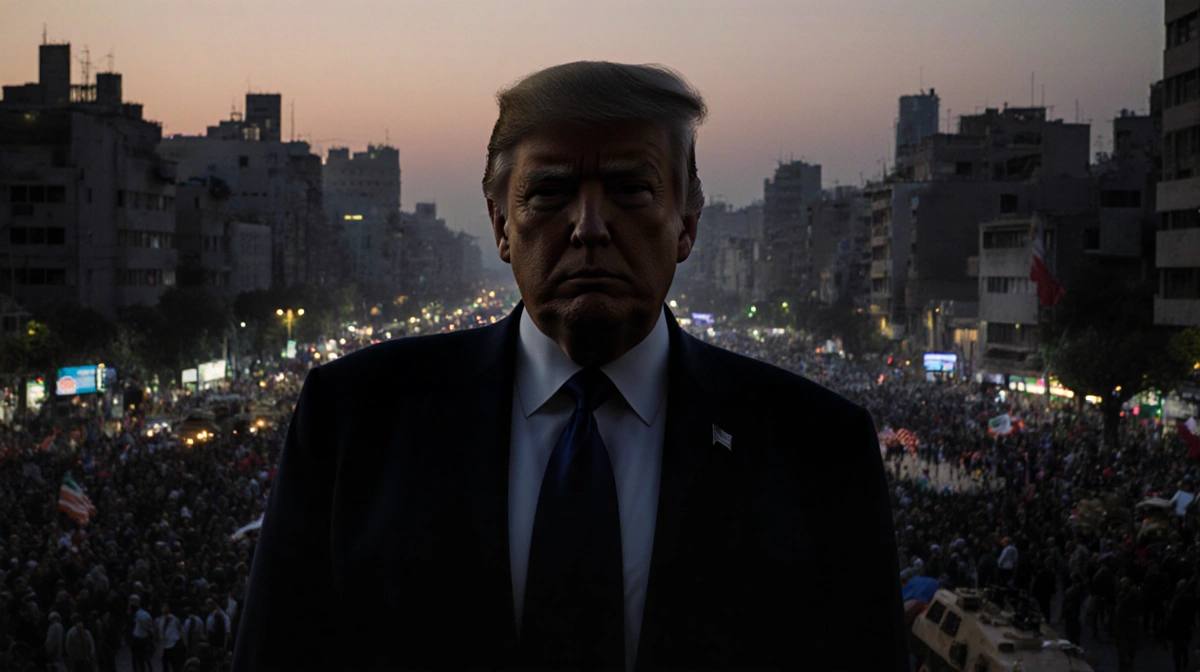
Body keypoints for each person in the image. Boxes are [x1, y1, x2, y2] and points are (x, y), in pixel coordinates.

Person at [233, 61, 908, 671]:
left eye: (631, 189)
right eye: (550, 193)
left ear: (687, 225)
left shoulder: (818, 448)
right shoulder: (354, 421)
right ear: (501, 224)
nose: (589, 225)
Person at [1166, 579, 1197, 672]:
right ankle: (1184, 660)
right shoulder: (1190, 598)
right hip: (1186, 625)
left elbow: (1172, 613)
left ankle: (1178, 667)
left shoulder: (1177, 599)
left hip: (1177, 625)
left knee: (1177, 649)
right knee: (1183, 646)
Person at [128, 594, 154, 672]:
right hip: (139, 639)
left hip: (139, 639)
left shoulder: (140, 615)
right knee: (139, 660)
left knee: (139, 660)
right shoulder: (142, 614)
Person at [157, 602, 184, 672]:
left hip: (173, 645)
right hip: (164, 646)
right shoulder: (159, 619)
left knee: (174, 666)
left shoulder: (174, 619)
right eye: (163, 607)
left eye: (166, 607)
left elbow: (180, 630)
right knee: (165, 666)